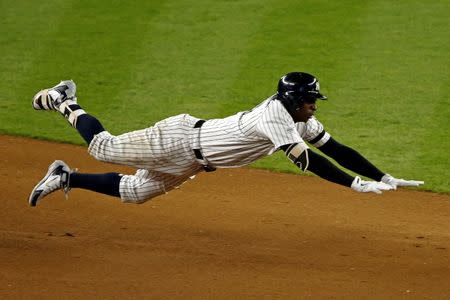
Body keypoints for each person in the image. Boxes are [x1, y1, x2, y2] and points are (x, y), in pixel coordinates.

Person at [29, 72, 424, 206]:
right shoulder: (275, 118)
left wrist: (383, 176)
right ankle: (66, 101)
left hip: (195, 161)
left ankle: (65, 178)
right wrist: (355, 184)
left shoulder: (297, 120)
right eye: (310, 100)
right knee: (103, 148)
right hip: (180, 139)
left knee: (135, 193)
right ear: (292, 100)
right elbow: (309, 162)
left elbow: (334, 149)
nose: (314, 107)